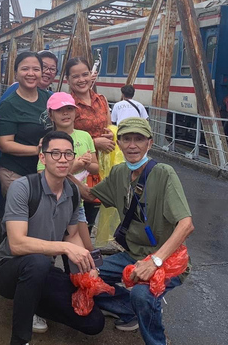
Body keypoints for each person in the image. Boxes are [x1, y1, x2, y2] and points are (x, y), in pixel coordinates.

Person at [73, 117, 194, 345]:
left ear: (150, 143)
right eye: (126, 139)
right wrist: (64, 174)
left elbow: (186, 224)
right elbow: (90, 195)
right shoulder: (119, 173)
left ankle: (156, 341)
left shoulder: (164, 173)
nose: (132, 145)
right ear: (118, 143)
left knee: (142, 294)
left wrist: (155, 261)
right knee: (82, 274)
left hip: (168, 258)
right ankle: (130, 313)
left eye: (139, 139)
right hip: (132, 254)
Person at [0, 131, 105, 345]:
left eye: (68, 154)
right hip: (7, 269)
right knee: (37, 262)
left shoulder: (72, 190)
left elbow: (72, 237)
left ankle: (32, 302)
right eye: (55, 153)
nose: (63, 159)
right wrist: (63, 247)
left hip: (42, 272)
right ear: (43, 157)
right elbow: (16, 244)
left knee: (94, 323)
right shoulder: (23, 187)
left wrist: (87, 269)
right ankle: (20, 339)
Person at [37, 92, 98, 252]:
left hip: (77, 203)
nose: (65, 113)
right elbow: (41, 173)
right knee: (49, 249)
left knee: (86, 249)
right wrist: (76, 165)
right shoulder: (48, 141)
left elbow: (96, 167)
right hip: (52, 204)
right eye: (59, 110)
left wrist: (87, 163)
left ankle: (80, 277)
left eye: (70, 109)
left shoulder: (85, 136)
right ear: (50, 114)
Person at [64, 56, 115, 228]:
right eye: (75, 76)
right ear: (68, 80)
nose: (81, 80)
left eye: (85, 74)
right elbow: (62, 136)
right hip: (78, 166)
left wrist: (109, 136)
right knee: (72, 218)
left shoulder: (101, 100)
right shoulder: (67, 104)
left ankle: (83, 252)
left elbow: (108, 126)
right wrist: (96, 142)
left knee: (90, 218)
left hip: (99, 166)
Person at [0, 52, 51, 196]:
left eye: (36, 69)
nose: (31, 73)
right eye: (25, 69)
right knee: (19, 216)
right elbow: (5, 144)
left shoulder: (49, 99)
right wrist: (38, 150)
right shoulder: (9, 105)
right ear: (16, 74)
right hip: (16, 173)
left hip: (45, 171)